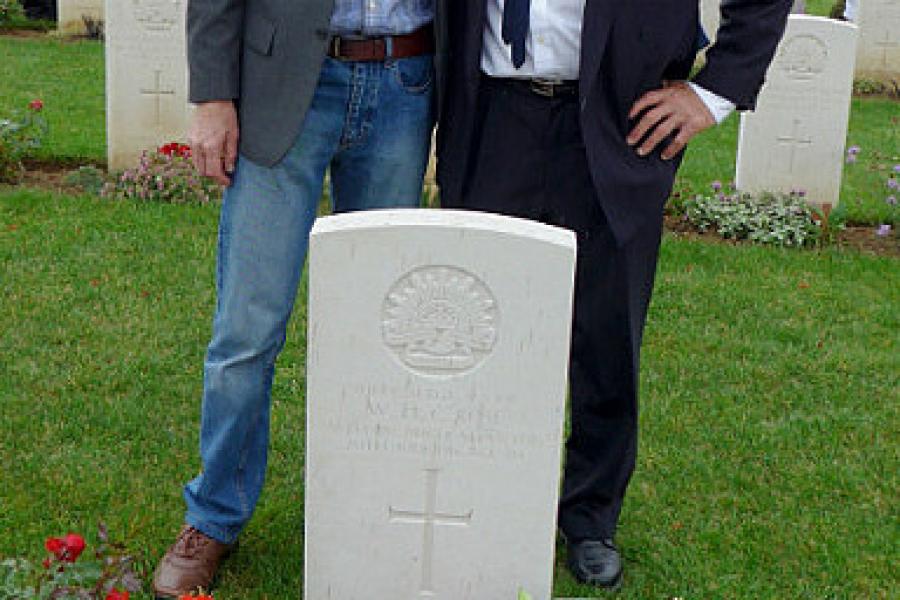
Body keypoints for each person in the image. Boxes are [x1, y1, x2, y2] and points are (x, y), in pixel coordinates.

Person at [436, 0, 793, 589]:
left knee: (605, 335)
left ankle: (590, 518)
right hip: (493, 115)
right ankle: (482, 500)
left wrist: (715, 92)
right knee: (482, 327)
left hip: (616, 119)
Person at [151, 1, 441, 597]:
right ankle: (213, 517)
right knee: (247, 329)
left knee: (381, 331)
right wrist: (213, 96)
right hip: (283, 85)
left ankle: (367, 511)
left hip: (405, 81)